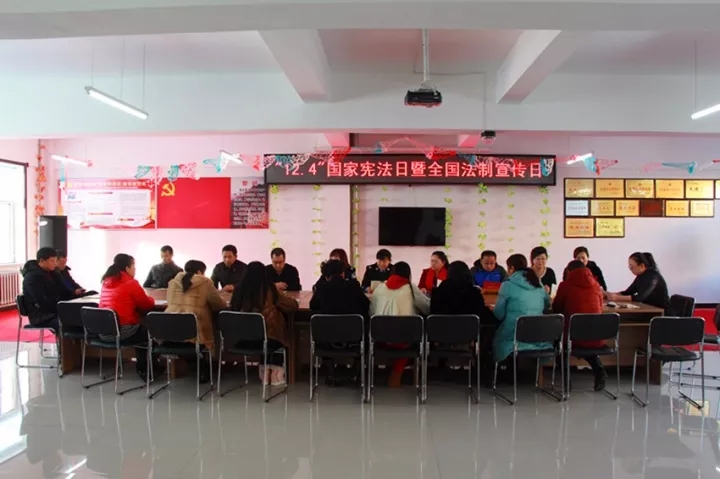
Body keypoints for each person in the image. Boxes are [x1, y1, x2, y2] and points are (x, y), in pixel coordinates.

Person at [230, 261, 299, 386]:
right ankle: (274, 374)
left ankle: (264, 372)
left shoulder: (238, 290)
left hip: (242, 338)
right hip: (268, 338)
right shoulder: (269, 289)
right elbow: (290, 305)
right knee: (276, 329)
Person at [98, 254, 162, 380]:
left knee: (141, 331)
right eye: (133, 266)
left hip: (104, 332)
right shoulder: (131, 283)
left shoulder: (106, 282)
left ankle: (144, 368)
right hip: (123, 331)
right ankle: (146, 370)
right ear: (127, 268)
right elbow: (146, 304)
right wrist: (151, 299)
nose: (135, 269)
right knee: (151, 334)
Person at [309, 259, 370, 386]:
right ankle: (356, 371)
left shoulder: (322, 288)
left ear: (326, 276)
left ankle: (330, 371)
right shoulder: (353, 286)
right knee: (366, 324)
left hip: (327, 341)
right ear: (342, 273)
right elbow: (366, 304)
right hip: (353, 340)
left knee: (320, 325)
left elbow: (313, 305)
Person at [370, 262, 430, 387]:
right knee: (410, 333)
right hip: (404, 339)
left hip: (380, 337)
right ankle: (397, 374)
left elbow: (371, 312)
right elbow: (427, 308)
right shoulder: (411, 288)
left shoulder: (380, 288)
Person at [165, 260, 227, 383]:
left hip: (171, 329)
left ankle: (195, 365)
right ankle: (205, 366)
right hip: (196, 332)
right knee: (212, 330)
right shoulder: (205, 282)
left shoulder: (173, 282)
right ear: (199, 272)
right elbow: (219, 305)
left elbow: (170, 302)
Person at [552, 260, 607, 391]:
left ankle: (566, 382)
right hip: (596, 336)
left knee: (560, 346)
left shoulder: (565, 285)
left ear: (569, 272)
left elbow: (556, 308)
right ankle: (600, 371)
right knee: (585, 341)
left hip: (573, 336)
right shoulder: (596, 285)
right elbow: (600, 308)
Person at [492, 254, 551, 365]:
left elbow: (499, 314)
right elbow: (547, 305)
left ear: (511, 268)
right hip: (537, 335)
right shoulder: (538, 283)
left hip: (512, 335)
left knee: (493, 336)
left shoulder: (507, 285)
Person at [21, 247, 76, 330]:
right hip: (41, 316)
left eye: (55, 261)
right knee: (74, 321)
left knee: (81, 316)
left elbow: (64, 291)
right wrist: (62, 307)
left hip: (54, 310)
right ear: (42, 261)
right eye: (52, 261)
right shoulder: (31, 277)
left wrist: (74, 294)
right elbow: (42, 301)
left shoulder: (53, 273)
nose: (55, 263)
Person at [606, 252, 673, 314]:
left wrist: (616, 298)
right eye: (629, 267)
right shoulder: (640, 276)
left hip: (662, 313)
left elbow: (640, 297)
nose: (630, 270)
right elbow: (627, 292)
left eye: (632, 267)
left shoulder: (653, 276)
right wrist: (608, 294)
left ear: (641, 266)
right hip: (649, 310)